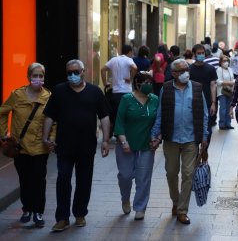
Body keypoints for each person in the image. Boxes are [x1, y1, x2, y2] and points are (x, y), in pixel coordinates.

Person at [43, 59, 110, 232]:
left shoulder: (95, 92)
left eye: (76, 72)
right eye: (69, 72)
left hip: (86, 145)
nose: (72, 75)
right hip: (64, 145)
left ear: (83, 71)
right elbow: (49, 115)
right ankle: (62, 218)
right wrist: (45, 138)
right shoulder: (59, 90)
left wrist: (106, 141)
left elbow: (104, 117)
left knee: (84, 181)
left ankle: (80, 213)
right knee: (63, 179)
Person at [150, 59, 209, 225]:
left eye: (187, 69)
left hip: (191, 139)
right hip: (171, 138)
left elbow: (204, 114)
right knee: (171, 173)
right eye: (182, 70)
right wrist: (155, 135)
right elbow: (160, 114)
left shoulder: (197, 88)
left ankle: (182, 210)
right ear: (174, 73)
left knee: (188, 174)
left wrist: (204, 137)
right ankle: (175, 201)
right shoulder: (166, 88)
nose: (186, 73)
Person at [0, 63, 53, 228]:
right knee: (25, 179)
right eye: (35, 76)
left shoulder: (48, 97)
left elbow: (54, 120)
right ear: (28, 77)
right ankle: (27, 209)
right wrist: (4, 133)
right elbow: (2, 112)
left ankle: (38, 212)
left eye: (41, 76)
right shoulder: (17, 95)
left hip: (40, 146)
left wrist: (51, 137)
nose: (38, 79)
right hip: (20, 147)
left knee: (39, 178)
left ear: (44, 78)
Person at [113, 72, 158, 220]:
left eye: (149, 82)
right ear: (136, 83)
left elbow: (158, 122)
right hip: (126, 144)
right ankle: (125, 198)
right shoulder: (127, 99)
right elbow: (119, 121)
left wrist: (158, 138)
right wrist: (123, 141)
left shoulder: (154, 100)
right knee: (125, 176)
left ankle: (140, 208)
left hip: (146, 145)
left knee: (143, 177)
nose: (148, 85)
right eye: (144, 82)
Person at [101, 45, 137, 137]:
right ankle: (121, 134)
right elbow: (135, 68)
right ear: (129, 52)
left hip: (115, 92)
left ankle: (115, 133)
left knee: (116, 113)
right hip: (126, 91)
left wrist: (105, 83)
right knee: (125, 114)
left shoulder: (114, 60)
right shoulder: (128, 59)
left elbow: (103, 69)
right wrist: (131, 78)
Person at [189, 44, 217, 146]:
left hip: (208, 103)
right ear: (194, 55)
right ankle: (196, 154)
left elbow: (213, 85)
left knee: (208, 130)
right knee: (194, 128)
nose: (201, 55)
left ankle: (204, 154)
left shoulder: (210, 69)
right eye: (198, 53)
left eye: (202, 53)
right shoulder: (189, 69)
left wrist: (213, 103)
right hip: (193, 103)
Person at [216, 55, 235, 130]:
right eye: (224, 61)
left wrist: (232, 82)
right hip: (222, 91)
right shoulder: (219, 69)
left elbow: (233, 79)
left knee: (228, 108)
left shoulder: (230, 69)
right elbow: (218, 82)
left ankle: (228, 123)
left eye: (227, 61)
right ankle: (222, 124)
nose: (226, 62)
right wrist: (229, 83)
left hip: (230, 91)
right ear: (220, 62)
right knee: (223, 108)